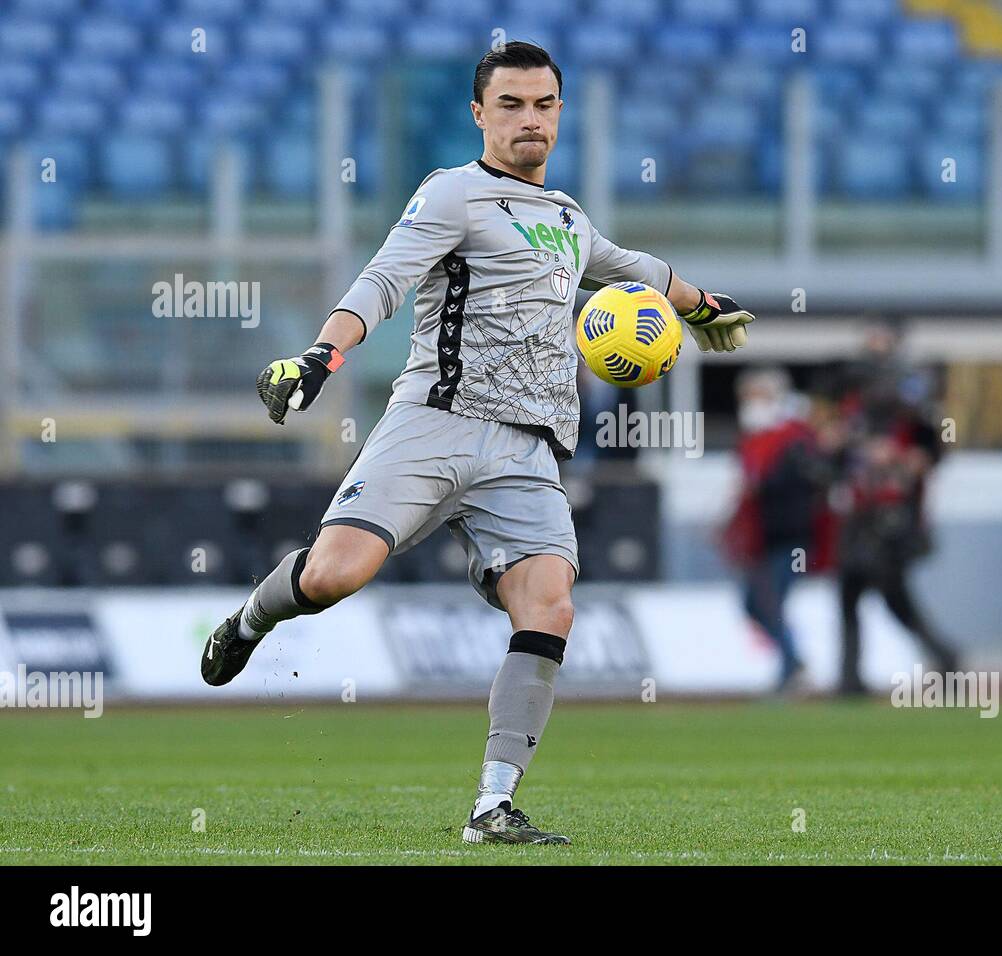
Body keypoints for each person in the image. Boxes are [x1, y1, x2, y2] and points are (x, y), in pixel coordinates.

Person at [198, 42, 756, 845]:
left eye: (543, 105)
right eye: (512, 105)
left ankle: (491, 807)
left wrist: (701, 304)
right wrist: (324, 354)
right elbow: (383, 279)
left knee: (550, 606)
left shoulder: (567, 218)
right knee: (333, 576)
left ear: (560, 112)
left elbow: (627, 267)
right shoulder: (455, 193)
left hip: (527, 450)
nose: (529, 120)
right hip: (434, 422)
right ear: (479, 114)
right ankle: (252, 618)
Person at [831, 328, 959, 694]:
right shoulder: (856, 414)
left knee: (893, 598)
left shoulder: (913, 415)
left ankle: (946, 658)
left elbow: (932, 453)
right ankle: (849, 677)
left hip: (892, 518)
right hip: (859, 515)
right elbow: (835, 458)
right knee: (849, 594)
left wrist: (902, 460)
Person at [723, 369, 834, 694]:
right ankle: (794, 662)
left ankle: (790, 670)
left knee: (769, 602)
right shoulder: (755, 442)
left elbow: (805, 486)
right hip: (764, 539)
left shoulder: (793, 440)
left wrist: (764, 487)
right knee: (755, 603)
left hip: (790, 536)